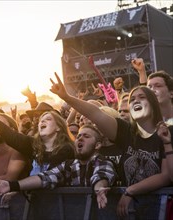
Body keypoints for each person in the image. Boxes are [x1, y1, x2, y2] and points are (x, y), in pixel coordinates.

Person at [49, 72, 173, 218]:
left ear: (153, 103)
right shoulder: (125, 131)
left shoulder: (167, 132)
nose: (135, 101)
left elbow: (167, 176)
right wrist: (66, 97)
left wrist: (131, 190)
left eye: (142, 97)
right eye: (132, 99)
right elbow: (95, 113)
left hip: (160, 210)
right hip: (130, 211)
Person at [0, 124, 117, 210]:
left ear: (98, 145)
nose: (80, 139)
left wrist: (100, 189)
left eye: (86, 136)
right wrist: (12, 185)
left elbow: (101, 174)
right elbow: (45, 177)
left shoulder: (103, 161)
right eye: (78, 136)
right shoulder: (70, 165)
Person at [0, 97, 75, 176]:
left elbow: (48, 177)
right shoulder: (34, 145)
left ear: (59, 127)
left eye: (48, 119)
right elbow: (9, 134)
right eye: (41, 120)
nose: (41, 120)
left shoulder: (67, 149)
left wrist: (18, 187)